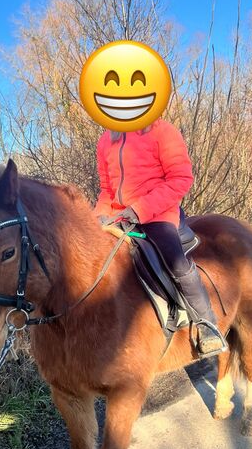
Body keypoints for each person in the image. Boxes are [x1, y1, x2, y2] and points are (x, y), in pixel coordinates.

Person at [94, 119, 225, 356]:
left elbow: (180, 179)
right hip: (118, 217)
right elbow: (107, 190)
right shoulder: (105, 140)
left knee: (175, 261)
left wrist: (140, 210)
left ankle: (207, 325)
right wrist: (100, 216)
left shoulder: (162, 131)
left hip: (158, 213)